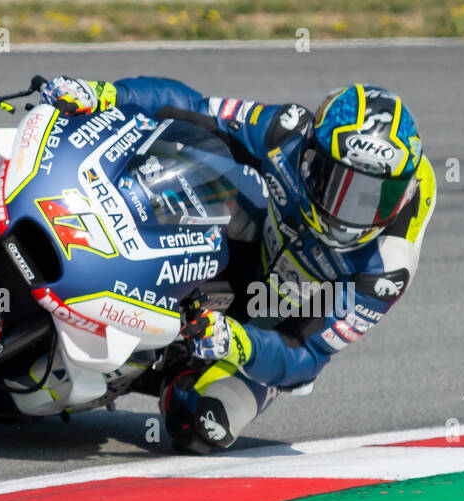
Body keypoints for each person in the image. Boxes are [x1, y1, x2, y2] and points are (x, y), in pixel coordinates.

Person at [38, 77, 436, 452]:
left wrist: (238, 342)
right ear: (312, 156)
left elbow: (306, 355)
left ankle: (165, 364)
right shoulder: (288, 132)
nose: (347, 212)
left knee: (202, 426)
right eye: (335, 183)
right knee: (198, 159)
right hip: (253, 242)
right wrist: (107, 93)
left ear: (402, 195)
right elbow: (195, 107)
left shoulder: (385, 269)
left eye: (372, 198)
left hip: (277, 321)